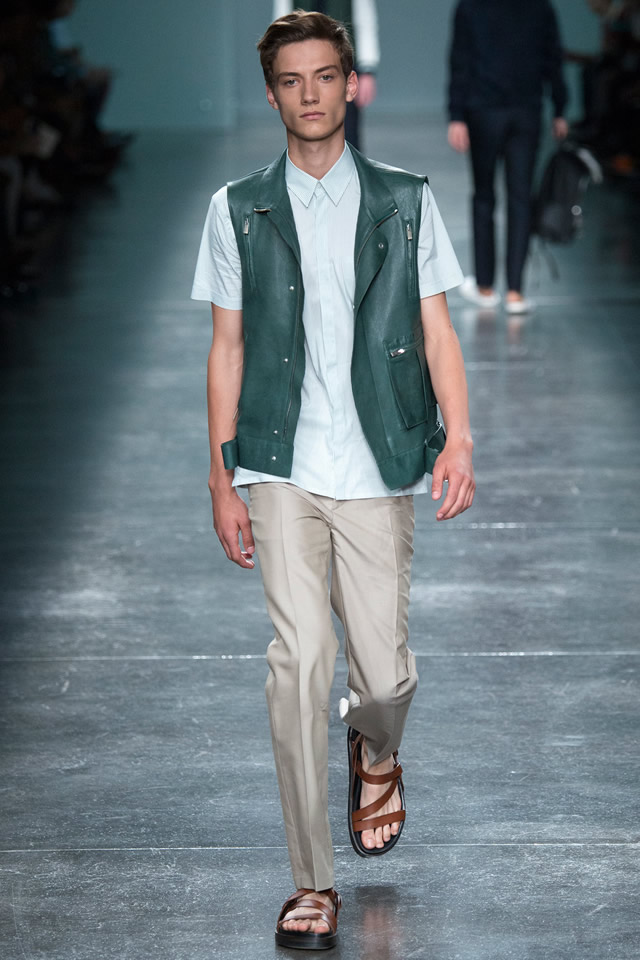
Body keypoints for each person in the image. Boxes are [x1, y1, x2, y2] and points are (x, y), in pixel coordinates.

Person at [192, 10, 475, 950]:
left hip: (378, 462)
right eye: (292, 80)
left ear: (350, 84)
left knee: (383, 676)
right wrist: (222, 477)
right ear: (273, 94)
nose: (309, 94)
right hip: (280, 463)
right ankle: (311, 882)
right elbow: (227, 348)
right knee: (300, 661)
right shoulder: (238, 207)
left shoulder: (404, 198)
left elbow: (437, 330)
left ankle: (375, 751)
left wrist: (459, 440)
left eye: (325, 76)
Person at [447, 0, 569, 314]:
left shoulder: (470, 7)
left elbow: (460, 61)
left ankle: (485, 287)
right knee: (520, 199)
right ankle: (515, 292)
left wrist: (456, 115)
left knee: (484, 197)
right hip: (526, 111)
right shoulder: (540, 7)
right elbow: (552, 58)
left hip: (483, 112)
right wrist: (560, 108)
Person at [273, 0, 379, 149]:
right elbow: (280, 22)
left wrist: (367, 69)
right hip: (302, 64)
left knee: (347, 131)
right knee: (305, 130)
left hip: (343, 65)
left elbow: (365, 21)